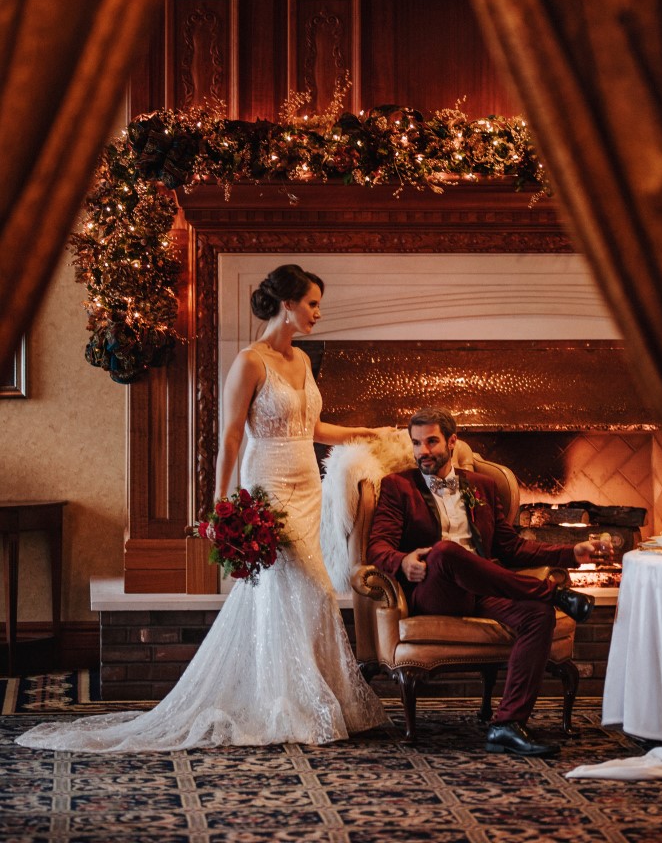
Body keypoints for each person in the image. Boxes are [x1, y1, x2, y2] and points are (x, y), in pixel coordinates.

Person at [16, 264, 387, 752]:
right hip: (267, 487)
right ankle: (293, 703)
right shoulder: (250, 362)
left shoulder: (301, 361)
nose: (318, 313)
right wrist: (221, 504)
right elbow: (230, 437)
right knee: (312, 591)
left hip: (306, 486)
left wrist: (368, 434)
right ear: (287, 304)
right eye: (313, 303)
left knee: (285, 596)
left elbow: (313, 428)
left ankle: (289, 696)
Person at [367, 407, 612, 759]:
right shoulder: (398, 486)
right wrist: (402, 561)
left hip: (483, 589)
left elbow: (510, 548)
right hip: (436, 590)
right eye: (417, 443)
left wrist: (570, 552)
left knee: (537, 615)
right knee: (446, 552)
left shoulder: (483, 485)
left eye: (432, 441)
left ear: (452, 442)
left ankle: (507, 725)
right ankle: (553, 593)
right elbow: (377, 546)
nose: (423, 451)